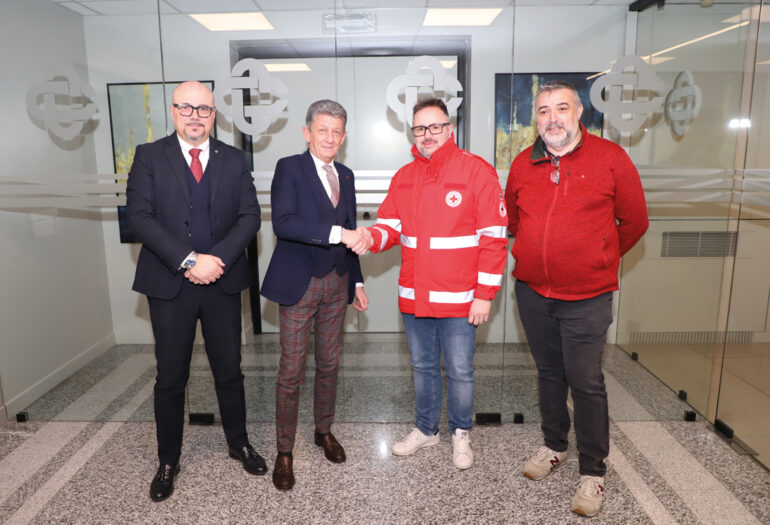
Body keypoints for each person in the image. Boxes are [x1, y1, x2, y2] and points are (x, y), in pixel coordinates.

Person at [504, 80, 648, 517]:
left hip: (587, 296)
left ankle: (593, 470)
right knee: (549, 373)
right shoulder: (523, 163)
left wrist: (598, 257)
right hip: (533, 292)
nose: (553, 119)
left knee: (585, 381)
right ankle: (554, 445)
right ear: (537, 118)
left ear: (579, 112)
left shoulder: (611, 158)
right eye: (544, 111)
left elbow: (635, 221)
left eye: (561, 108)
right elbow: (513, 220)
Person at [126, 81, 265, 502]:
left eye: (204, 109)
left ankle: (239, 443)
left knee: (230, 371)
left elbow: (250, 217)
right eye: (186, 108)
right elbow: (140, 217)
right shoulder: (149, 156)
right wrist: (189, 260)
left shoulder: (234, 159)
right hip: (169, 285)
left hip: (222, 282)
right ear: (172, 111)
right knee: (171, 377)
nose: (195, 116)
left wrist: (215, 260)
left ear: (214, 115)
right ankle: (168, 460)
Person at [359, 98, 508, 470]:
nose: (428, 134)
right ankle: (427, 430)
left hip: (460, 300)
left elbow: (494, 239)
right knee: (422, 368)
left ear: (449, 128)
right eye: (420, 128)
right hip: (415, 297)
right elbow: (390, 228)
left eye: (435, 126)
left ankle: (461, 432)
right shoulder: (404, 177)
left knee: (459, 370)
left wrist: (484, 295)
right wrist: (368, 238)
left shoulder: (476, 171)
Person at [261, 99, 369, 491]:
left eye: (336, 131)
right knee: (291, 371)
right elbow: (284, 223)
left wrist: (357, 282)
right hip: (299, 283)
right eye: (322, 129)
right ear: (307, 132)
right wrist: (338, 234)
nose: (329, 137)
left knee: (329, 364)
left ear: (344, 137)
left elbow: (351, 228)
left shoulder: (347, 175)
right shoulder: (289, 168)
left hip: (337, 282)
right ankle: (284, 450)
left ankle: (323, 430)